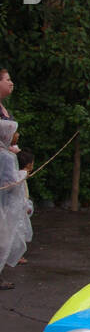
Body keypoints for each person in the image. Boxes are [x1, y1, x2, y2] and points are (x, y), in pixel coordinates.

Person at [0, 119, 30, 288]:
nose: (17, 135)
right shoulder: (7, 157)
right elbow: (11, 183)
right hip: (3, 206)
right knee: (2, 242)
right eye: (14, 132)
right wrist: (23, 174)